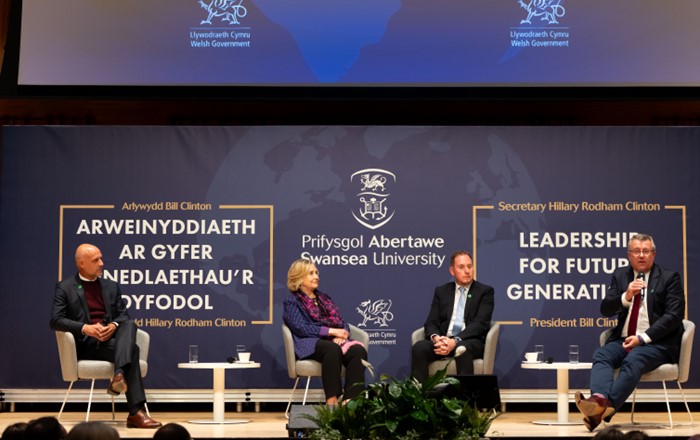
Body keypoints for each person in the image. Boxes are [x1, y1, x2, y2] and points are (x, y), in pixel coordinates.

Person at [575, 233, 685, 431]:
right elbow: (605, 309)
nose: (641, 255)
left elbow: (674, 316)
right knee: (602, 354)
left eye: (646, 251)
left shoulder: (669, 278)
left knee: (633, 359)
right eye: (636, 251)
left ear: (654, 254)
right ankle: (599, 399)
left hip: (657, 343)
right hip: (624, 340)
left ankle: (599, 411)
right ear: (629, 255)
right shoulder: (620, 275)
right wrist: (625, 296)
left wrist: (642, 338)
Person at [50, 243, 162, 429]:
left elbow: (123, 314)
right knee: (132, 350)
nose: (101, 263)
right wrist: (85, 328)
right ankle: (135, 413)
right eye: (96, 260)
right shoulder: (65, 287)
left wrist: (113, 325)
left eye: (101, 258)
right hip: (87, 345)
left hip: (110, 343)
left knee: (128, 323)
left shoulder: (111, 286)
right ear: (81, 263)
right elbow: (55, 320)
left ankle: (119, 376)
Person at [282, 258, 368, 406]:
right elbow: (300, 328)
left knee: (358, 351)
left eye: (316, 272)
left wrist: (343, 333)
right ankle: (331, 401)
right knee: (332, 349)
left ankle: (351, 402)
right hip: (309, 342)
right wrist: (332, 332)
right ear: (299, 278)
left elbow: (342, 322)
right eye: (310, 273)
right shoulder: (292, 302)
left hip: (333, 341)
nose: (316, 276)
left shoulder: (324, 299)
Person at [411, 250, 495, 383]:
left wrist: (455, 341)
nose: (467, 271)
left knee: (461, 349)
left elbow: (480, 324)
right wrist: (437, 339)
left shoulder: (485, 292)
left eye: (469, 266)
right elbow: (431, 322)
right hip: (444, 341)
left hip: (470, 341)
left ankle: (463, 401)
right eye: (461, 267)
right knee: (419, 348)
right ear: (452, 271)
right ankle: (421, 399)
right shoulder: (442, 291)